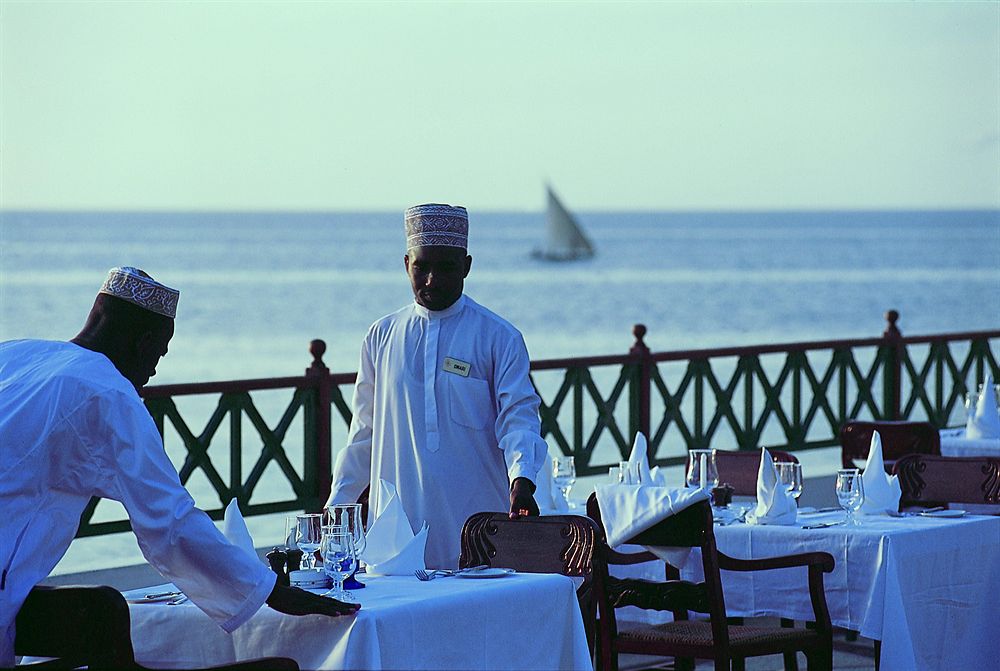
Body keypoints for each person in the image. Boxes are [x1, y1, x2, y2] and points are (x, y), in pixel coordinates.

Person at [0, 266, 357, 667]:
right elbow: (168, 521)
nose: (155, 370)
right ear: (144, 342)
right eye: (160, 353)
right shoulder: (108, 393)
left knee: (103, 611)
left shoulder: (15, 354)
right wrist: (271, 590)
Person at [326, 204, 549, 569]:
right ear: (405, 265)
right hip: (395, 536)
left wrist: (522, 478)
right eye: (421, 267)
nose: (431, 280)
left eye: (445, 267)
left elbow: (519, 419)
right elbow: (364, 433)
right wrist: (338, 504)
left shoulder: (499, 337)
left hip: (479, 532)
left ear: (467, 266)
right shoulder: (381, 337)